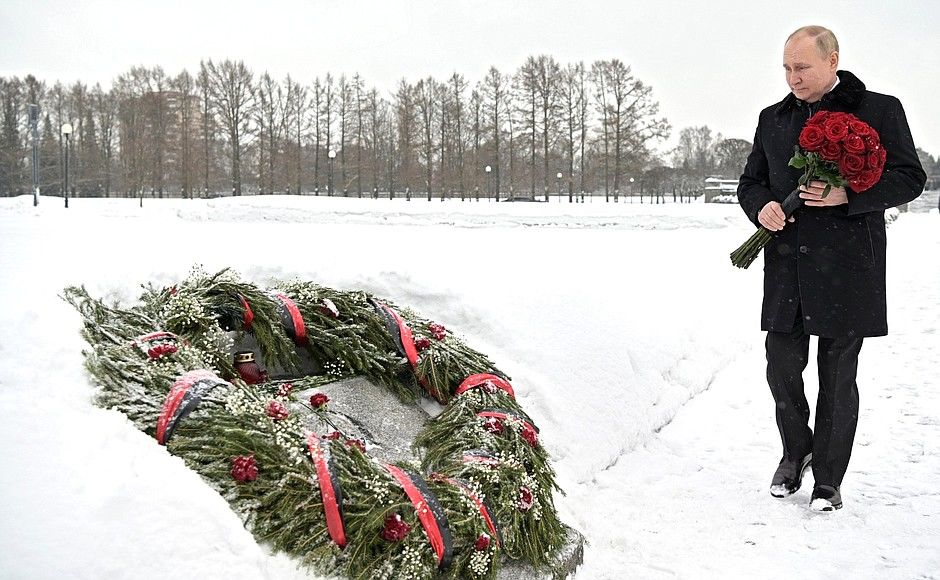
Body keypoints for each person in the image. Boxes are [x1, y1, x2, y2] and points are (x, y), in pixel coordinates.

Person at [737, 25, 926, 512]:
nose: (792, 77)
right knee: (781, 366)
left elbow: (910, 177)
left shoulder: (880, 109)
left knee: (837, 374)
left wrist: (851, 194)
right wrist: (762, 208)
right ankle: (795, 451)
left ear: (832, 60)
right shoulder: (772, 118)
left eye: (801, 67)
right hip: (787, 265)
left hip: (849, 265)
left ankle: (828, 478)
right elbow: (751, 182)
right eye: (786, 67)